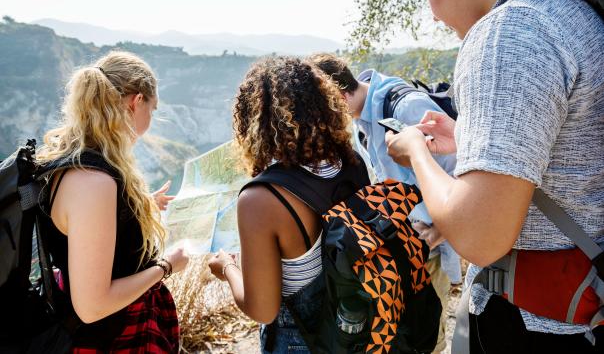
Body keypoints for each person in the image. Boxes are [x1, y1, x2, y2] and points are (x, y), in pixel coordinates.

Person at [385, 0, 604, 352]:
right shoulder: (582, 6)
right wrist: (471, 137)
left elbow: (478, 236)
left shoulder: (508, 32)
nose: (432, 13)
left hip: (539, 328)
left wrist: (417, 152)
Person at [208, 57, 370, 353]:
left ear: (254, 122)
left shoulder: (263, 199)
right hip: (356, 330)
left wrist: (228, 268)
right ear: (323, 105)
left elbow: (263, 310)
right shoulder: (352, 163)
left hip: (301, 341)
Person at [35, 51, 189, 352]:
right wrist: (167, 266)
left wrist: (138, 204)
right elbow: (92, 307)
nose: (151, 120)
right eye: (152, 109)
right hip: (110, 340)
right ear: (136, 101)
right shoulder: (94, 184)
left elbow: (77, 222)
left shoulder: (73, 162)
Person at [308, 52, 461, 353]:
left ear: (338, 96)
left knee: (426, 338)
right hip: (404, 249)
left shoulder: (406, 107)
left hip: (429, 250)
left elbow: (463, 176)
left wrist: (439, 231)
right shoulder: (361, 115)